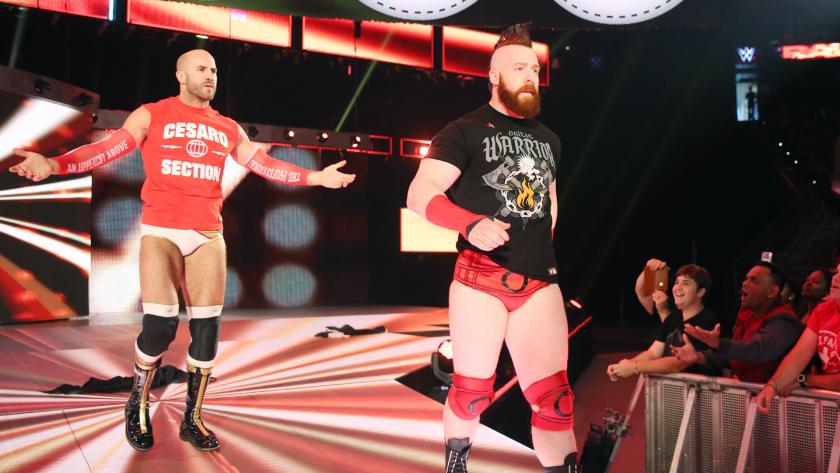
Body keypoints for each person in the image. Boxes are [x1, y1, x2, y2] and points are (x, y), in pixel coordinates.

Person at [9, 49, 355, 452]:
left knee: (207, 331)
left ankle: (192, 418)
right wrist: (55, 165)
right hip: (162, 232)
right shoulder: (152, 114)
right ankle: (137, 402)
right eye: (202, 69)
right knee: (160, 327)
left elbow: (263, 163)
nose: (210, 76)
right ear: (180, 75)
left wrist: (315, 177)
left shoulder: (227, 127)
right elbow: (108, 149)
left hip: (207, 236)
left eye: (214, 70)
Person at [406, 23, 578, 473]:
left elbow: (550, 205)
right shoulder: (463, 131)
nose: (530, 76)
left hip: (539, 283)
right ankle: (456, 465)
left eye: (535, 69)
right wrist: (471, 223)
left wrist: (537, 253)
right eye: (519, 68)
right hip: (479, 278)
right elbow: (419, 194)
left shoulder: (550, 139)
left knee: (555, 401)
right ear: (494, 76)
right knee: (472, 393)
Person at [672, 262, 802, 383]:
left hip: (774, 398)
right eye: (746, 279)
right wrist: (698, 356)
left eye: (753, 280)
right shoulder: (747, 312)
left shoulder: (784, 320)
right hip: (745, 392)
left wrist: (718, 343)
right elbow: (734, 354)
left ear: (771, 292)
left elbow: (757, 350)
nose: (744, 283)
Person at [608, 260, 720, 380]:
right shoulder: (674, 317)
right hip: (671, 386)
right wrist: (624, 365)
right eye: (676, 282)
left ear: (700, 292)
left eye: (686, 283)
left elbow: (679, 363)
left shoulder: (706, 320)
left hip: (698, 388)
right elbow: (653, 352)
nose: (678, 287)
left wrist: (635, 367)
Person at [756, 264, 840, 413]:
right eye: (837, 272)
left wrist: (806, 379)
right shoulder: (824, 310)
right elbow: (799, 354)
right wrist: (773, 386)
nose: (836, 278)